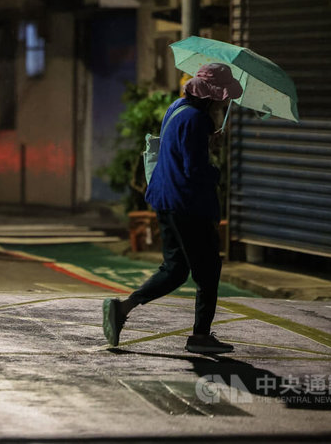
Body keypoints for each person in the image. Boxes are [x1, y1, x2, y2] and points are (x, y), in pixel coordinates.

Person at [102, 63, 243, 355]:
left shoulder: (177, 108)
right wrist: (214, 166)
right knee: (208, 270)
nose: (224, 102)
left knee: (176, 269)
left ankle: (123, 308)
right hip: (187, 204)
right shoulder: (198, 120)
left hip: (165, 198)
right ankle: (200, 336)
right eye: (222, 96)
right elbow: (195, 171)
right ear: (212, 95)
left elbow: (180, 149)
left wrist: (206, 143)